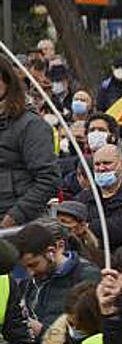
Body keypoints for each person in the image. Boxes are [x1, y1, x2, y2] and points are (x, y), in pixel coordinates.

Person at [0, 56, 59, 226]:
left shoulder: (30, 125)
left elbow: (49, 179)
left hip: (18, 226)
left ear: (7, 81)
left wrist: (14, 217)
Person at [13, 222, 101, 336]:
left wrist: (43, 331)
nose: (30, 273)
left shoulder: (87, 276)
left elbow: (89, 329)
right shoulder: (33, 280)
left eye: (34, 265)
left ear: (52, 251)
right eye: (25, 267)